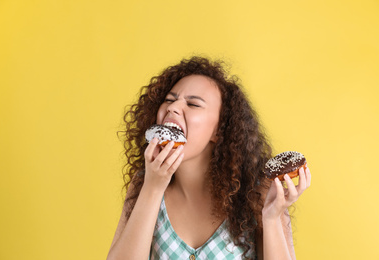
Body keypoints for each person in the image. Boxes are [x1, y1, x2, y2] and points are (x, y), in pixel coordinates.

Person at [107, 56, 311, 260]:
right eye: (169, 100)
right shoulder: (144, 184)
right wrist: (153, 188)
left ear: (219, 130)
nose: (173, 107)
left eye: (193, 104)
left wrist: (272, 218)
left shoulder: (259, 194)